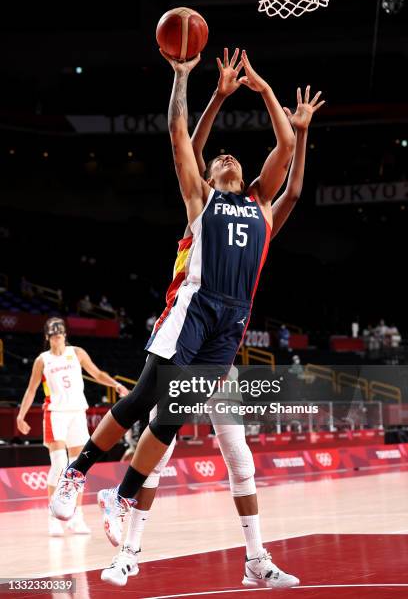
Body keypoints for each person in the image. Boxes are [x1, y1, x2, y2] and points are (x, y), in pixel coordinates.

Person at [51, 48, 323, 589]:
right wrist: (193, 81)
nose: (226, 157)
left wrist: (266, 92)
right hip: (194, 308)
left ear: (246, 174)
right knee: (146, 397)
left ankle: (122, 495)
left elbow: (287, 151)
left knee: (173, 420)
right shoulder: (200, 199)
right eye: (219, 157)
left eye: (233, 158)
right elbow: (182, 140)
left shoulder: (261, 204)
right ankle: (78, 475)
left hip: (231, 325)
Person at [17, 317, 129, 536]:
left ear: (65, 335)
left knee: (77, 467)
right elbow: (31, 390)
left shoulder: (76, 353)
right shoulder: (42, 360)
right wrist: (21, 416)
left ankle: (76, 516)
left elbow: (96, 374)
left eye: (60, 335)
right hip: (55, 414)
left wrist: (115, 384)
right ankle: (54, 517)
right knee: (59, 464)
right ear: (47, 337)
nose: (57, 339)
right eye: (53, 336)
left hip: (77, 413)